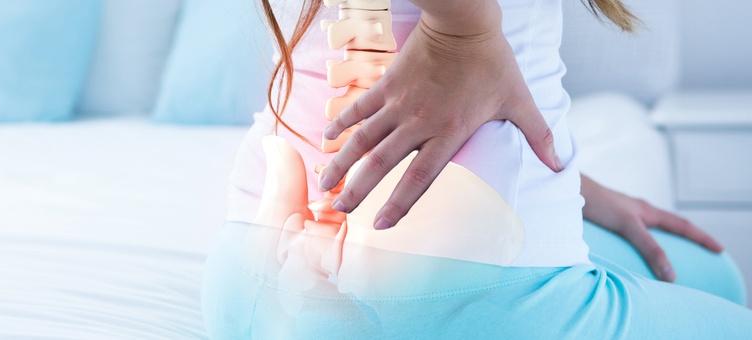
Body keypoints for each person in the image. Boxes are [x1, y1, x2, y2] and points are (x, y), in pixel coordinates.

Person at [202, 0, 752, 338]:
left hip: (247, 283)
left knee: (712, 271)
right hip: (465, 303)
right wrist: (460, 31)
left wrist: (567, 182)